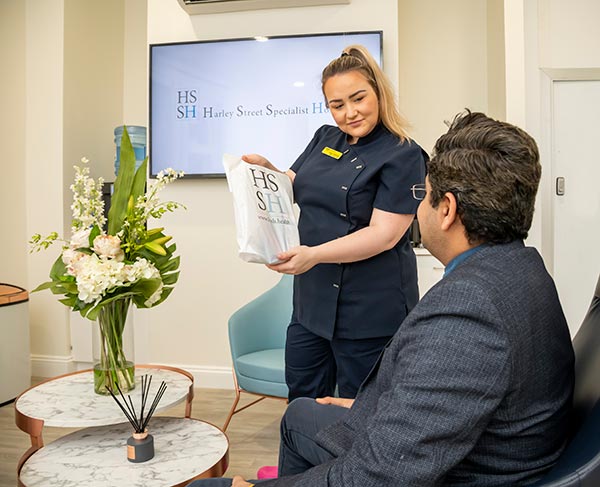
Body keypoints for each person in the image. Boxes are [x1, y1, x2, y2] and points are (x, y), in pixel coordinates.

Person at [188, 111, 575, 487]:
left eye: (423, 196)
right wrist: (373, 407)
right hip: (465, 447)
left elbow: (377, 476)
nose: (417, 207)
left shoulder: (467, 314)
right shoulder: (523, 269)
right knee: (301, 414)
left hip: (458, 471)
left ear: (447, 210)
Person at [243, 45, 428, 401]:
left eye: (358, 98)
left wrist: (312, 255)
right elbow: (293, 187)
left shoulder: (403, 153)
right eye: (337, 105)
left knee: (360, 409)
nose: (349, 113)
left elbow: (384, 235)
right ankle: (305, 459)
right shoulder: (325, 138)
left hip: (370, 309)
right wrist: (269, 171)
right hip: (312, 304)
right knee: (302, 398)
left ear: (379, 92)